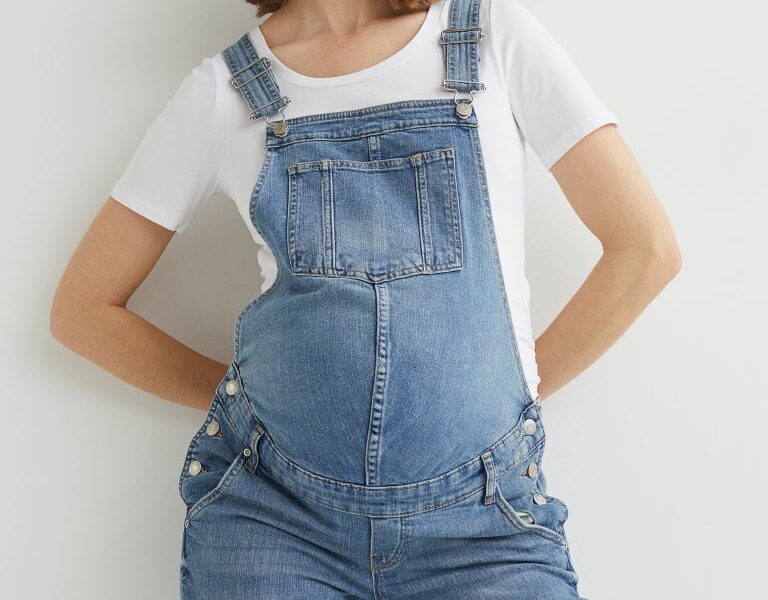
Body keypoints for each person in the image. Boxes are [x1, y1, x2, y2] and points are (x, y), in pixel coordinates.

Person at [50, 0, 681, 597]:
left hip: (486, 523)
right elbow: (83, 311)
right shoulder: (226, 88)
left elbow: (645, 250)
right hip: (276, 522)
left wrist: (508, 406)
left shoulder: (491, 36)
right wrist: (248, 403)